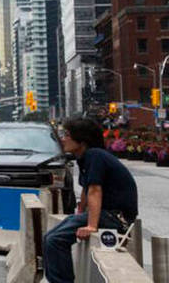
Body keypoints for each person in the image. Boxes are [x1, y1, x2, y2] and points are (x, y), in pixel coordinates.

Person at [43, 116, 139, 282]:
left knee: (55, 240)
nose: (63, 139)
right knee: (49, 237)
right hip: (107, 214)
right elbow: (87, 189)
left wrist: (91, 226)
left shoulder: (95, 156)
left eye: (67, 135)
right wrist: (79, 213)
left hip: (115, 217)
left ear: (82, 140)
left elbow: (95, 190)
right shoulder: (85, 158)